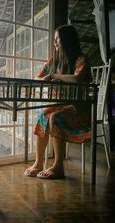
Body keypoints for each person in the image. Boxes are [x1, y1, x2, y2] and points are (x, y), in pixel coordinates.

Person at [24, 24, 92, 179]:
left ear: (68, 41)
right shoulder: (53, 61)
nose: (55, 43)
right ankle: (39, 162)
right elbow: (38, 77)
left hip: (78, 109)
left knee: (55, 117)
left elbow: (77, 78)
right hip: (60, 105)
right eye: (54, 40)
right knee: (43, 115)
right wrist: (46, 77)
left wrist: (54, 76)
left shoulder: (82, 59)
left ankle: (58, 166)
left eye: (58, 40)